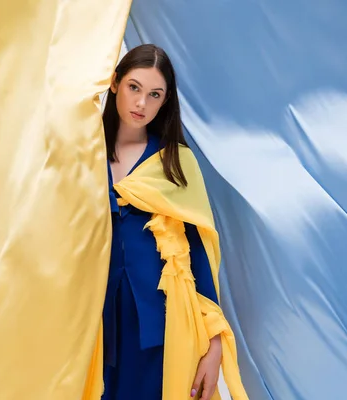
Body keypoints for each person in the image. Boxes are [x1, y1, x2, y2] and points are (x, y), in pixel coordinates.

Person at [98, 44, 247, 400]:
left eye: (154, 95)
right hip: (89, 324)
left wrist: (213, 347)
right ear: (115, 83)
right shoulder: (83, 153)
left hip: (156, 328)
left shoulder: (175, 163)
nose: (141, 104)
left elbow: (200, 261)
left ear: (165, 102)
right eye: (134, 87)